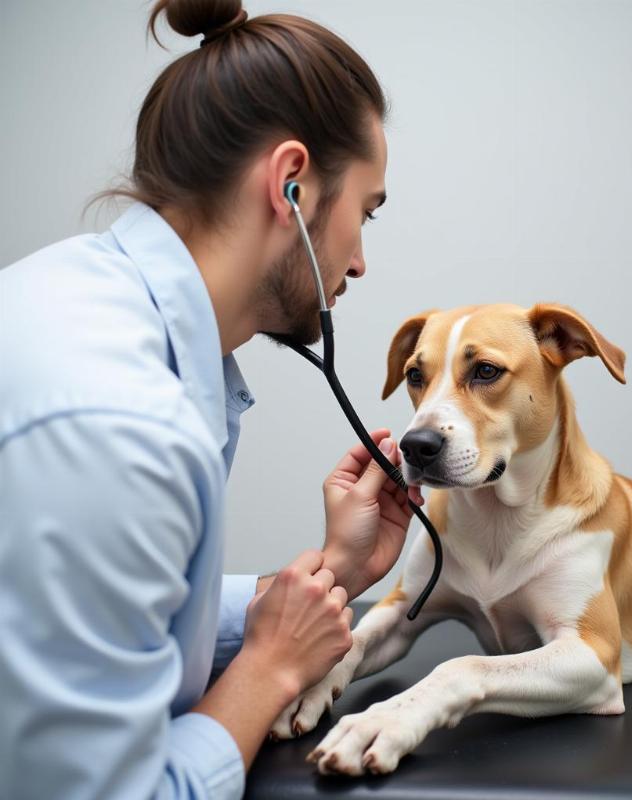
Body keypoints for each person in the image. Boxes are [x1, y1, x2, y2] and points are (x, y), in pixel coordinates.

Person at [0, 2, 422, 798]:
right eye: (364, 213)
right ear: (290, 185)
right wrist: (266, 670)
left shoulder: (64, 295)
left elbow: (108, 623)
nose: (359, 262)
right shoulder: (119, 429)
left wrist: (330, 573)